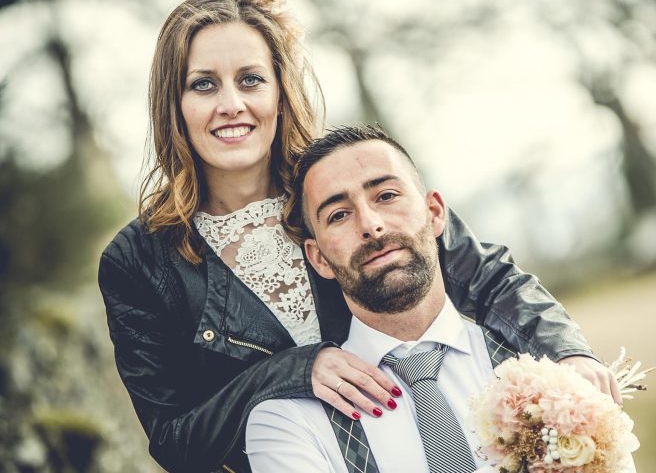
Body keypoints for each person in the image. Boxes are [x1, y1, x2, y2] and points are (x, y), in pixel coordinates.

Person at [97, 0, 613, 473]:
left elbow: (487, 277)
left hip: (429, 442)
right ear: (174, 102)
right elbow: (172, 440)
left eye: (251, 79)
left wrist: (567, 353)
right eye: (204, 84)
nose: (232, 105)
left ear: (279, 88)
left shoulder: (346, 181)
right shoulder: (137, 261)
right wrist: (294, 370)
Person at [246, 125, 635, 473]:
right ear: (318, 258)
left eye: (386, 195)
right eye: (339, 215)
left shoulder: (559, 383)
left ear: (434, 214)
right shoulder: (288, 422)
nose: (371, 224)